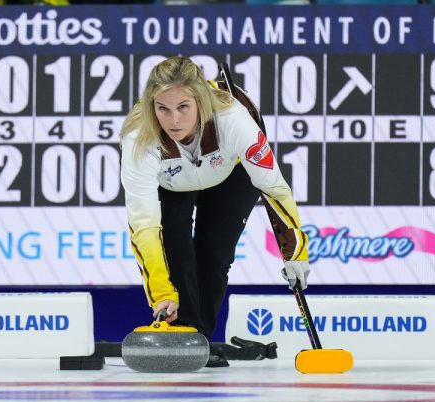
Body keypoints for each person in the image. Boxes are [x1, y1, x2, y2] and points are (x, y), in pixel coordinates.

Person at [119, 56, 310, 367]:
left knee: (215, 252)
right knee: (173, 249)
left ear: (201, 102)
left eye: (183, 107)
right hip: (171, 183)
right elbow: (144, 227)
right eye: (163, 108)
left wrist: (296, 250)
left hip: (230, 173)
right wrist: (160, 292)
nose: (173, 120)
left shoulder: (235, 120)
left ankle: (199, 338)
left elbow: (274, 188)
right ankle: (184, 330)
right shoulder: (138, 138)